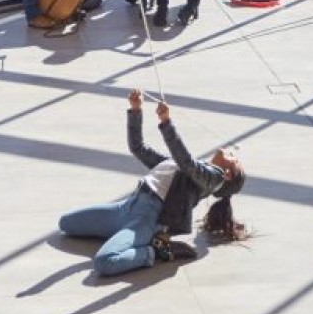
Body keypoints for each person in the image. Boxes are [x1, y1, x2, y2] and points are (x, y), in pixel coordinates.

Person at [58, 90, 247, 277]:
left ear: (228, 174)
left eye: (234, 158)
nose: (231, 153)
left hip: (145, 220)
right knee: (65, 223)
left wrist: (166, 122)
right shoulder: (183, 171)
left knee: (104, 261)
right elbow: (138, 148)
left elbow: (187, 162)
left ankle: (152, 251)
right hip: (125, 208)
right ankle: (126, 239)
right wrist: (136, 110)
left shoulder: (213, 179)